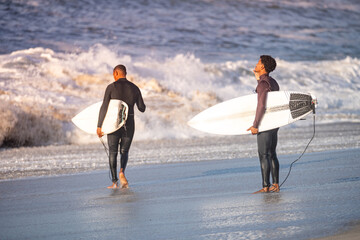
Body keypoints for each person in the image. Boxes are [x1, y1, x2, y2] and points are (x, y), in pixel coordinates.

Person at [97, 65, 146, 189]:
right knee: (124, 151)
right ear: (126, 73)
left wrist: (99, 126)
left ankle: (114, 182)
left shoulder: (111, 87)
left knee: (112, 152)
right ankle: (122, 171)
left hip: (114, 124)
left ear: (116, 73)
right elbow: (142, 108)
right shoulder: (135, 88)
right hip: (129, 123)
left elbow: (104, 107)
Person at [247, 55, 280, 193]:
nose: (256, 64)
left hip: (264, 123)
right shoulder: (272, 82)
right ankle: (276, 184)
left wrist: (255, 125)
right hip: (274, 122)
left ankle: (265, 187)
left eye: (258, 62)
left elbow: (261, 105)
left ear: (262, 66)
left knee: (263, 154)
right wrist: (258, 79)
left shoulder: (263, 84)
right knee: (272, 153)